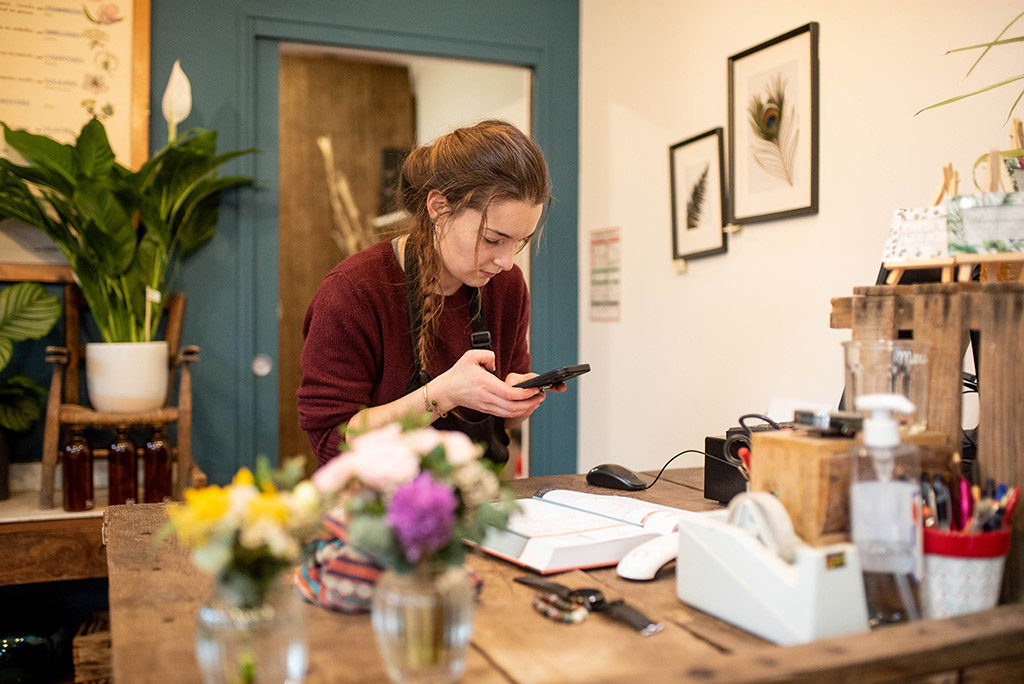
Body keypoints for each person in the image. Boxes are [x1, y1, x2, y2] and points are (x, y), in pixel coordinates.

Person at [297, 119, 563, 467]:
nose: (506, 261)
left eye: (520, 242)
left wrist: (511, 403)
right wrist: (441, 394)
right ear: (438, 207)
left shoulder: (507, 287)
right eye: (492, 239)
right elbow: (333, 439)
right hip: (379, 499)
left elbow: (502, 427)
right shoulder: (352, 292)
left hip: (477, 492)